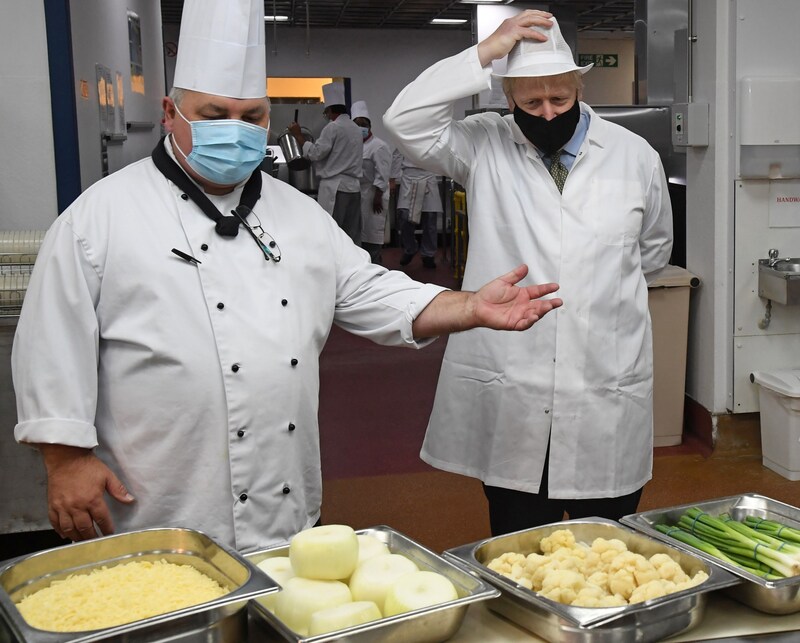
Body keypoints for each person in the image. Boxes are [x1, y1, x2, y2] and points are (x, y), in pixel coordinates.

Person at [11, 0, 562, 553]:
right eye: (213, 114)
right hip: (158, 495)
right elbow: (52, 346)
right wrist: (66, 460)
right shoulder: (99, 218)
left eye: (252, 117)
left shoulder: (297, 214)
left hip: (281, 497)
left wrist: (470, 306)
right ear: (169, 112)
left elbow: (370, 290)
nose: (236, 130)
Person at [384, 10, 673, 536]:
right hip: (515, 385)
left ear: (579, 89)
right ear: (507, 98)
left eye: (559, 100)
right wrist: (485, 51)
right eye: (529, 102)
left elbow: (652, 252)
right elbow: (404, 122)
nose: (545, 114)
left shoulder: (635, 156)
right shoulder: (481, 144)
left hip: (604, 384)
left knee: (609, 545)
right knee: (520, 544)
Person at [288, 83, 363, 245]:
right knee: (352, 233)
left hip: (336, 188)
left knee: (334, 231)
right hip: (354, 188)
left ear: (329, 110)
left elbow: (315, 153)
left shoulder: (333, 128)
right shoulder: (355, 128)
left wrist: (298, 135)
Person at [351, 100, 392, 264]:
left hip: (374, 195)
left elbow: (382, 174)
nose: (361, 127)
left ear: (370, 126)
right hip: (360, 194)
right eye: (357, 124)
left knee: (372, 235)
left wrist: (378, 196)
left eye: (364, 124)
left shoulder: (379, 146)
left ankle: (376, 269)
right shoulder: (354, 145)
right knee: (361, 236)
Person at [391, 149, 443, 269]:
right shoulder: (404, 134)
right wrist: (392, 179)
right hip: (409, 176)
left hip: (428, 175)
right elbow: (397, 155)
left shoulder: (431, 134)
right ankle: (410, 248)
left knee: (430, 218)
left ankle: (428, 254)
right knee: (404, 216)